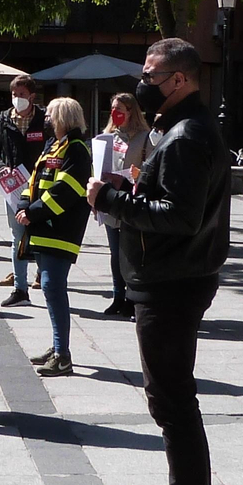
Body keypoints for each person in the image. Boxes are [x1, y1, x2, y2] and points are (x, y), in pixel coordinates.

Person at [88, 38, 231, 485]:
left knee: (172, 403)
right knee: (171, 401)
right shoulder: (177, 130)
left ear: (182, 79)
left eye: (152, 74)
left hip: (173, 280)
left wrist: (108, 198)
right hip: (173, 275)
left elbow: (177, 215)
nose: (142, 82)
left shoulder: (187, 135)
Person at [20, 96, 93, 375]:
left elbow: (66, 191)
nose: (46, 120)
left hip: (60, 231)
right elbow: (34, 180)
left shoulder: (76, 149)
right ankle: (57, 346)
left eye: (50, 115)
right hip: (43, 230)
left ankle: (62, 355)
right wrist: (25, 204)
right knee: (50, 290)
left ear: (63, 118)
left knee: (52, 287)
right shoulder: (54, 146)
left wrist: (34, 212)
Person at [0, 76, 51, 306]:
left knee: (41, 235)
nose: (17, 99)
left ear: (32, 96)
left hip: (39, 185)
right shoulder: (4, 119)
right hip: (13, 187)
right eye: (14, 94)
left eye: (22, 95)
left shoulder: (45, 119)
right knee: (18, 236)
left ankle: (46, 282)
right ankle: (20, 288)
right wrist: (0, 167)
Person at [97, 93, 155, 318]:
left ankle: (133, 298)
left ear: (132, 111)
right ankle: (117, 296)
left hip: (132, 200)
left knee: (130, 252)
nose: (115, 112)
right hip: (111, 200)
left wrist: (133, 176)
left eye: (120, 108)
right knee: (115, 253)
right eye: (113, 108)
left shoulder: (144, 138)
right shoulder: (107, 136)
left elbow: (151, 170)